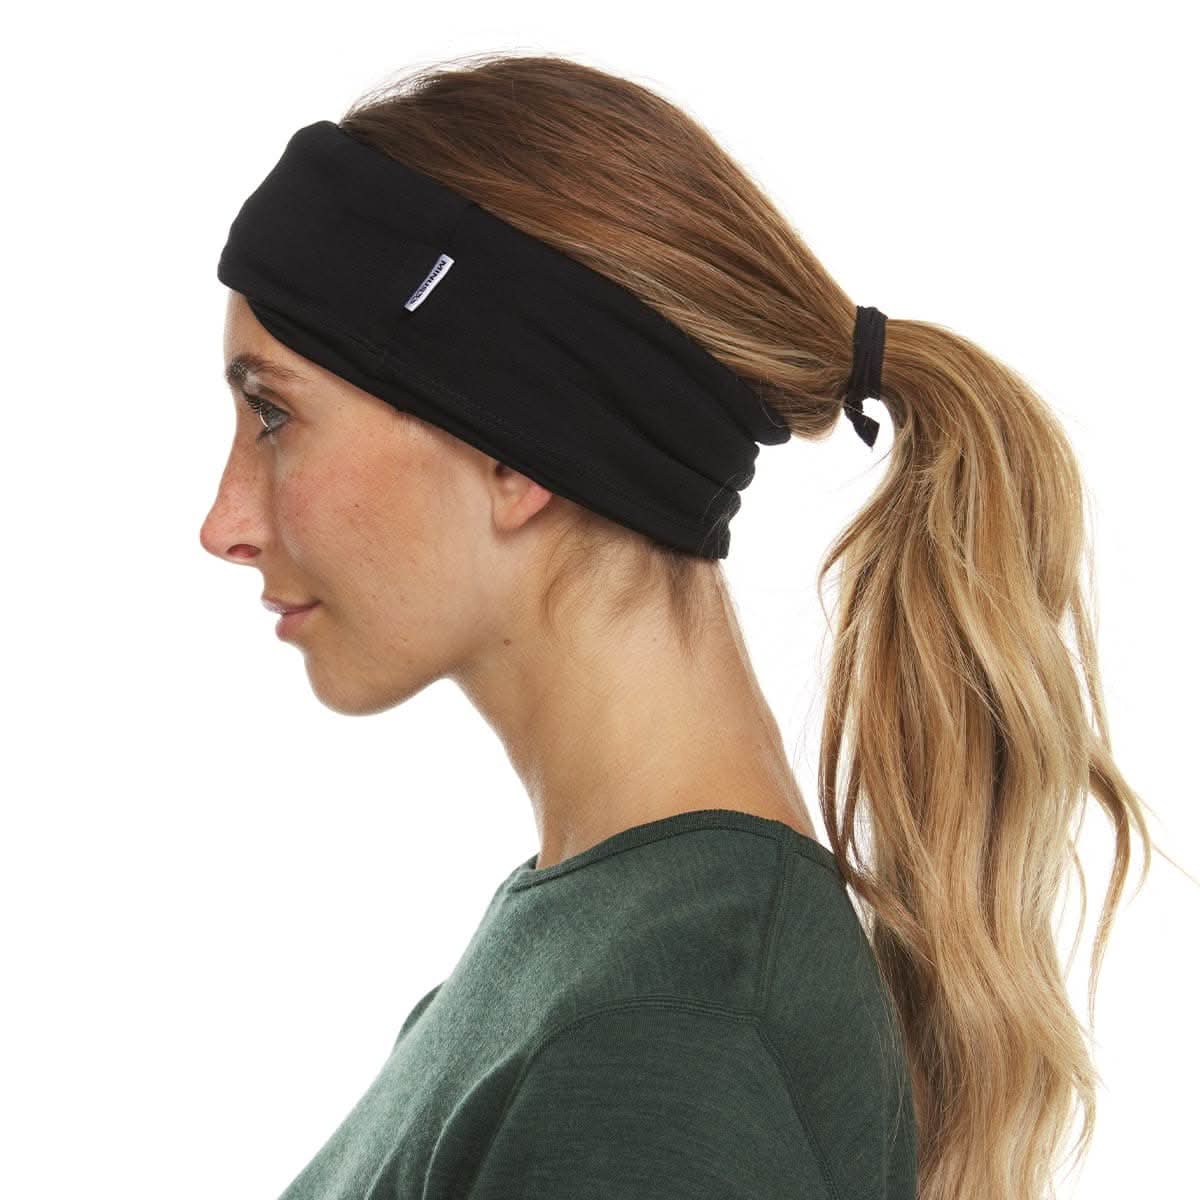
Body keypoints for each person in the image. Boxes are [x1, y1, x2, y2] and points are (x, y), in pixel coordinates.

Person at [201, 53, 1156, 1200]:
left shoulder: (661, 1037)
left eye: (273, 415)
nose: (223, 523)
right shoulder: (610, 957)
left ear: (514, 449)